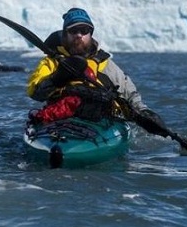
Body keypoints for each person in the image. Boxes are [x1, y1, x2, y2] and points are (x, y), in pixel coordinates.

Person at [26, 7, 171, 138]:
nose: (79, 35)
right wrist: (57, 79)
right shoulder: (52, 62)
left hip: (100, 122)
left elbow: (130, 94)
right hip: (59, 119)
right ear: (65, 34)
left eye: (84, 31)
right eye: (73, 31)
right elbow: (35, 93)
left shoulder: (105, 64)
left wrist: (144, 113)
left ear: (90, 34)